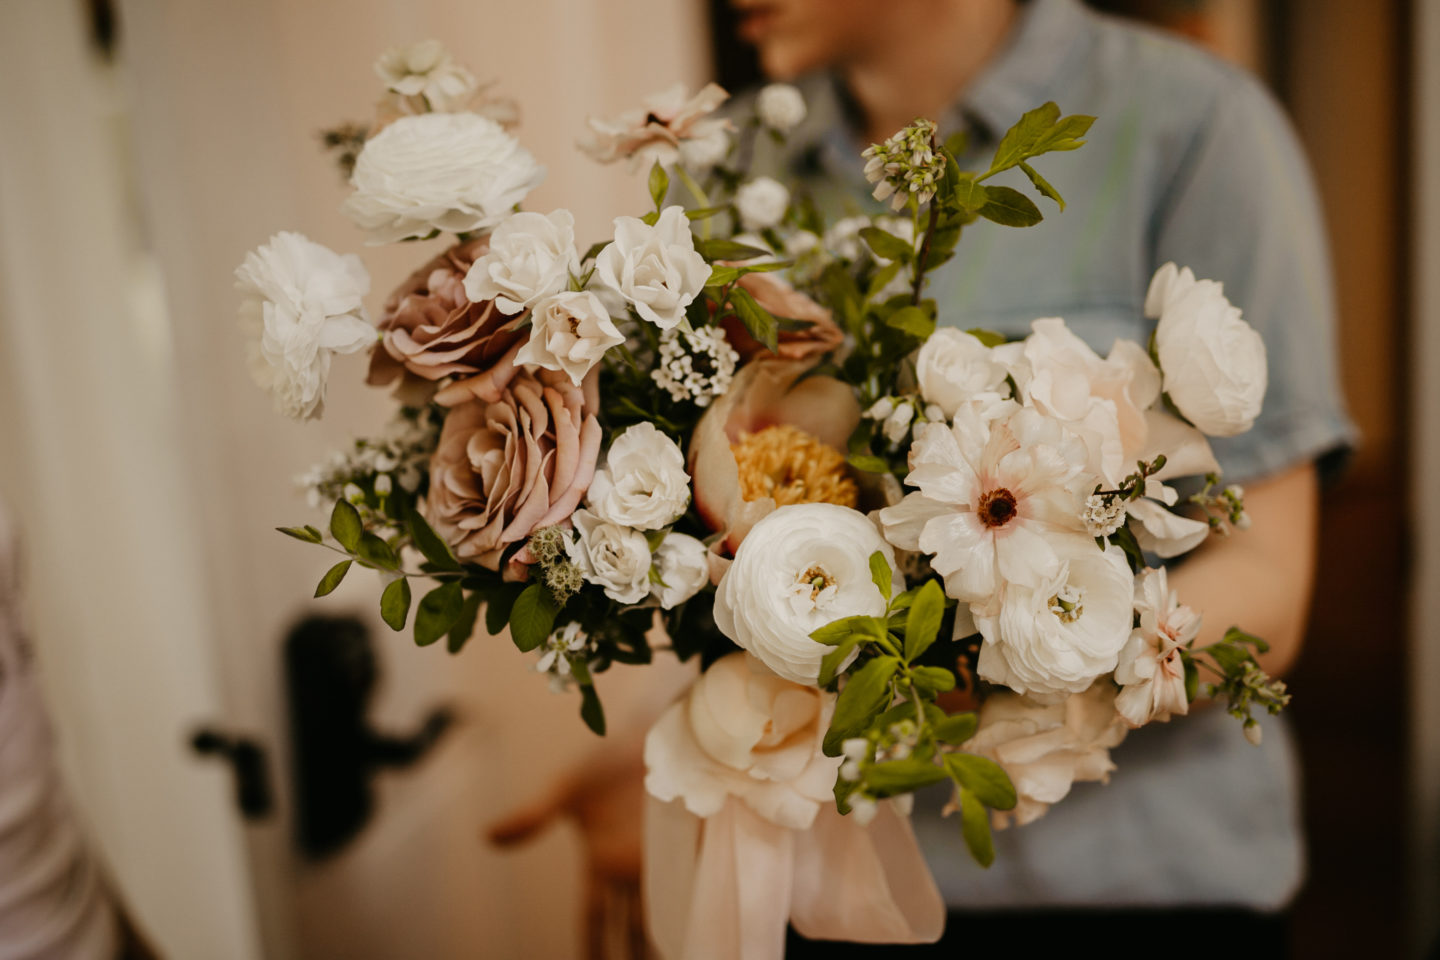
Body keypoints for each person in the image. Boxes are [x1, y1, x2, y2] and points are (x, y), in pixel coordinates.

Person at [490, 0, 1356, 954]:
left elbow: (1269, 588)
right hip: (832, 895)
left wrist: (970, 690)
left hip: (1134, 894)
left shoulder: (1195, 125)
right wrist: (682, 759)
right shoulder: (747, 170)